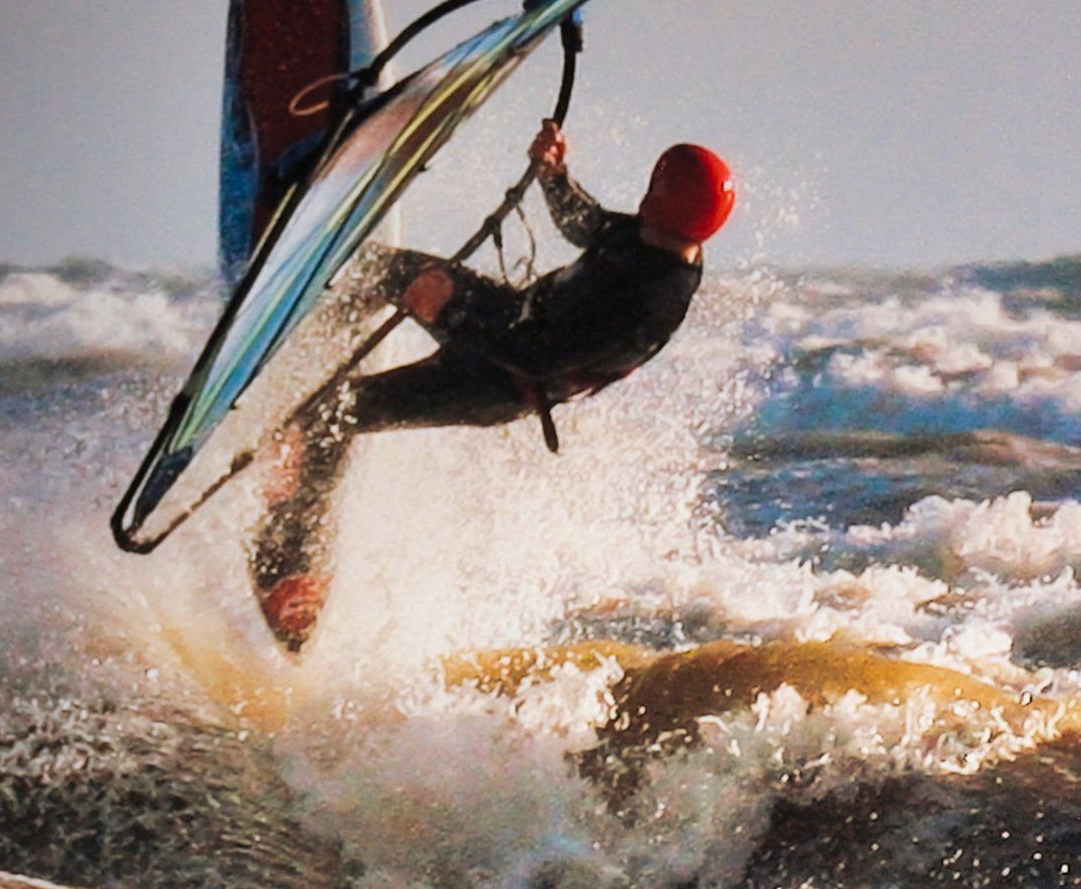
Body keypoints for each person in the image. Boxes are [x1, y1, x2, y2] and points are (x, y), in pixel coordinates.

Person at [251, 118, 736, 650]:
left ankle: (295, 565)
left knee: (336, 414)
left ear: (659, 199)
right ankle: (294, 341)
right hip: (506, 316)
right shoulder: (655, 235)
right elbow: (591, 227)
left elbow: (538, 360)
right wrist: (555, 176)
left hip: (496, 380)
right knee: (384, 271)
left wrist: (451, 312)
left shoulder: (648, 304)